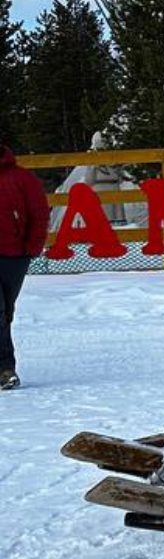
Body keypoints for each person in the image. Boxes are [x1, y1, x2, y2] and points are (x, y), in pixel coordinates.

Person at [0, 139, 52, 389]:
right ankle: (5, 369)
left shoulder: (21, 178)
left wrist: (31, 247)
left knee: (5, 312)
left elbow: (39, 213)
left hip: (13, 255)